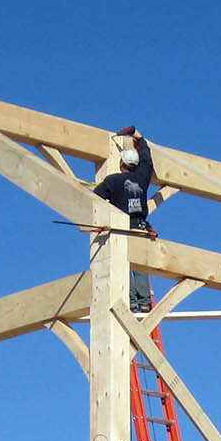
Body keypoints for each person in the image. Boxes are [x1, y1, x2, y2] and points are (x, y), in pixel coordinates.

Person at [93, 126, 155, 311]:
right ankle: (144, 303)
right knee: (140, 266)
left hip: (123, 228)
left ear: (121, 164)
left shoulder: (112, 181)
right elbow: (147, 158)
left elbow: (94, 198)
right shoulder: (143, 177)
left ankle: (130, 301)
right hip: (140, 227)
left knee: (124, 265)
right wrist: (138, 137)